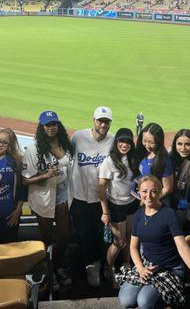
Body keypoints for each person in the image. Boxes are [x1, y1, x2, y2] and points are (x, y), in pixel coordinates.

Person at [117, 176, 190, 309]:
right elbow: (133, 247)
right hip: (147, 266)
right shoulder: (138, 214)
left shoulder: (169, 214)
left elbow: (182, 246)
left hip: (169, 268)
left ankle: (169, 299)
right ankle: (154, 291)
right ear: (139, 191)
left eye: (154, 191)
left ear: (160, 192)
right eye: (145, 191)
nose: (149, 196)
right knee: (126, 300)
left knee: (144, 302)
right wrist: (140, 268)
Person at [23, 111, 73, 289]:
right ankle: (47, 271)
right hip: (42, 195)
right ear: (41, 127)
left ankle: (57, 265)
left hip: (62, 192)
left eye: (54, 124)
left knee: (65, 235)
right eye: (47, 124)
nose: (51, 127)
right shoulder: (33, 148)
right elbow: (25, 179)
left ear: (58, 125)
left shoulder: (65, 144)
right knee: (46, 238)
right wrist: (45, 175)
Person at [69, 106, 114, 287]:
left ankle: (100, 265)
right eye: (100, 120)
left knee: (100, 235)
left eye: (106, 122)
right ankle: (88, 266)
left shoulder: (113, 140)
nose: (103, 124)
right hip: (79, 195)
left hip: (101, 199)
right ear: (93, 120)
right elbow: (65, 156)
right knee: (82, 235)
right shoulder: (78, 136)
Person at [99, 127, 139, 281]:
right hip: (116, 205)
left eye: (128, 142)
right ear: (116, 142)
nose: (124, 145)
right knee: (119, 242)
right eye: (121, 141)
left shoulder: (133, 158)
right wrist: (105, 212)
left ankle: (126, 264)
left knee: (130, 238)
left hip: (131, 203)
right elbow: (101, 187)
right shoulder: (109, 161)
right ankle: (108, 266)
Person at [0, 128, 27, 244]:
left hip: (9, 216)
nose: (0, 144)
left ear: (10, 145)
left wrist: (17, 211)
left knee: (9, 250)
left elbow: (22, 188)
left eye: (5, 142)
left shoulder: (15, 161)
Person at [169, 129, 190, 233]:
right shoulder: (169, 160)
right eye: (179, 144)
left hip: (183, 211)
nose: (183, 148)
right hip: (167, 207)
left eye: (187, 144)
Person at [133, 123, 173, 201]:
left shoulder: (164, 160)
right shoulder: (143, 152)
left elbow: (168, 188)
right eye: (144, 141)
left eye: (151, 142)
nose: (147, 145)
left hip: (155, 202)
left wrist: (150, 200)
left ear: (159, 142)